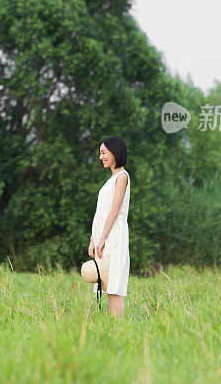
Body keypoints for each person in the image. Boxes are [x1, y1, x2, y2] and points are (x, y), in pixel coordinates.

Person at [88, 135, 130, 317]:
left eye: (103, 153)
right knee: (105, 281)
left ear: (115, 152)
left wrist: (103, 238)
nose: (101, 157)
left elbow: (114, 211)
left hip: (114, 235)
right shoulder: (110, 179)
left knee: (114, 284)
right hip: (104, 234)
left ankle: (118, 327)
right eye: (100, 153)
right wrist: (93, 239)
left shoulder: (122, 177)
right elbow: (100, 213)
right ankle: (113, 326)